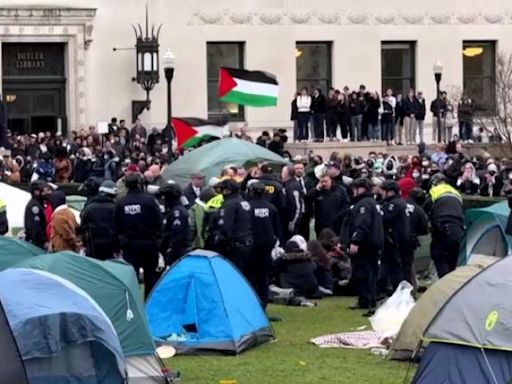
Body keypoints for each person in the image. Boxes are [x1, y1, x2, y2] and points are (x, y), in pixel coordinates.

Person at [114, 172, 163, 298]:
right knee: (151, 277)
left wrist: (119, 243)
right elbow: (159, 221)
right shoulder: (149, 201)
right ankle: (149, 303)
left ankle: (132, 302)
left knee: (131, 277)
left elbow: (116, 224)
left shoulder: (121, 203)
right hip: (149, 243)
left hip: (130, 245)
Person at [344, 178, 384, 316]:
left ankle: (365, 299)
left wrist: (355, 241)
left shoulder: (363, 205)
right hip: (373, 244)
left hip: (365, 245)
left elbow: (362, 225)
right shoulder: (373, 203)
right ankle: (370, 298)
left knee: (362, 272)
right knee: (371, 272)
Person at [247, 181, 279, 307]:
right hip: (267, 247)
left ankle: (253, 303)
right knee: (264, 276)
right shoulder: (271, 208)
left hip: (251, 246)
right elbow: (277, 229)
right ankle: (263, 302)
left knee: (251, 275)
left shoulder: (247, 207)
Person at [427, 173, 464, 278]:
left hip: (443, 226)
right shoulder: (456, 193)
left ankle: (445, 286)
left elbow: (427, 209)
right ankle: (452, 286)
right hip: (458, 228)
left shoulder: (434, 191)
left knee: (439, 255)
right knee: (453, 259)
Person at [378, 180, 411, 294]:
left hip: (394, 242)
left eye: (383, 190)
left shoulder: (393, 205)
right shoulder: (402, 203)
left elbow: (384, 220)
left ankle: (397, 293)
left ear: (390, 191)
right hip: (402, 241)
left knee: (395, 270)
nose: (381, 193)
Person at [216, 178, 253, 275]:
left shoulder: (229, 205)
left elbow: (226, 228)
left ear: (228, 190)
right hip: (247, 243)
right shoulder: (244, 202)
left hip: (234, 246)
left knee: (232, 274)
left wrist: (220, 243)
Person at [80, 180, 118, 260]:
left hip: (92, 246)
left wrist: (84, 243)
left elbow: (82, 226)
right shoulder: (115, 208)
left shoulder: (89, 207)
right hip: (110, 248)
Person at [160, 182, 192, 266]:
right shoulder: (173, 210)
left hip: (178, 251)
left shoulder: (177, 212)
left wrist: (171, 249)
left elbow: (177, 234)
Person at [406, 188, 429, 288]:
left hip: (393, 238)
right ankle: (412, 286)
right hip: (409, 240)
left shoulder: (399, 204)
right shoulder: (419, 210)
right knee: (408, 263)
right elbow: (424, 228)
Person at [281, 165, 304, 242]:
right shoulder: (286, 185)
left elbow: (297, 206)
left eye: (283, 173)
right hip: (286, 221)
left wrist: (293, 222)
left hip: (291, 222)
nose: (281, 175)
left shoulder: (293, 186)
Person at [24, 181, 48, 249]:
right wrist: (43, 242)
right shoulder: (34, 206)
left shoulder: (39, 204)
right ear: (36, 192)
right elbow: (35, 227)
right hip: (36, 244)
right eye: (42, 191)